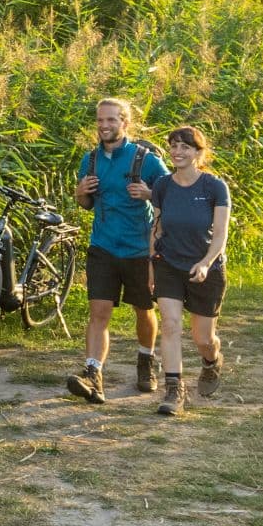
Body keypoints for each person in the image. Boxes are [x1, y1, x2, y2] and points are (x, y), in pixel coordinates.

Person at [69, 97, 167, 403]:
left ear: (125, 122)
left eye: (111, 120)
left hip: (139, 250)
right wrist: (80, 193)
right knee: (99, 313)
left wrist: (150, 194)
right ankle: (92, 375)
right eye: (100, 120)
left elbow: (171, 198)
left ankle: (145, 360)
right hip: (103, 246)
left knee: (144, 310)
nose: (104, 126)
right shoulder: (91, 160)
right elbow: (86, 204)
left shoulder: (146, 160)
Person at [145, 125, 230, 415]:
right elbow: (156, 229)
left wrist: (205, 263)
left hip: (206, 267)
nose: (177, 151)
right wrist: (151, 267)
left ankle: (211, 361)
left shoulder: (214, 187)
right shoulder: (162, 186)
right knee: (170, 324)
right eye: (173, 146)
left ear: (198, 152)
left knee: (202, 339)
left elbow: (220, 235)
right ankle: (174, 391)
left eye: (185, 146)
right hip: (168, 263)